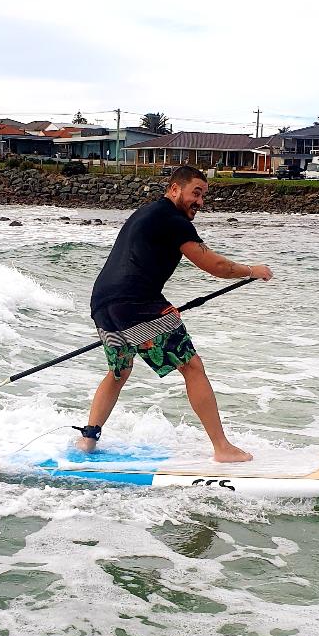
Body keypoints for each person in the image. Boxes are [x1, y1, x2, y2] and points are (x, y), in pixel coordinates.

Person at [77, 165, 272, 462]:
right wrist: (251, 270)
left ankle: (88, 440)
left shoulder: (147, 213)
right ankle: (222, 448)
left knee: (120, 371)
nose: (200, 201)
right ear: (174, 189)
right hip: (137, 303)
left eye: (204, 196)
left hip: (103, 304)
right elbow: (216, 266)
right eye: (196, 193)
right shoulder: (172, 219)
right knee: (192, 367)